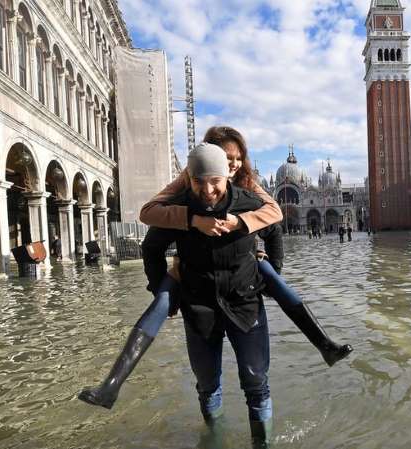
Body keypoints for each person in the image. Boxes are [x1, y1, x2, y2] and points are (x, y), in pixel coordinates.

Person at [78, 128, 351, 411]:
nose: (230, 164)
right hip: (197, 293)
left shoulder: (247, 188)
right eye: (225, 157)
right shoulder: (185, 188)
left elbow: (274, 218)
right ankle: (112, 385)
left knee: (258, 378)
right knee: (201, 374)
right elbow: (149, 222)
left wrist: (244, 228)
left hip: (243, 288)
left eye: (236, 158)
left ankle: (324, 344)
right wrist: (192, 221)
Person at [139, 144, 277, 446]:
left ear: (227, 175)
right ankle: (214, 441)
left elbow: (274, 227)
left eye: (214, 180)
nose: (208, 189)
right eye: (199, 181)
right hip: (198, 306)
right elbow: (151, 248)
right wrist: (161, 291)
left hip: (246, 303)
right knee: (207, 384)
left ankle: (262, 444)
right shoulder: (178, 209)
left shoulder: (247, 202)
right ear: (189, 179)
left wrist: (271, 275)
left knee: (256, 382)